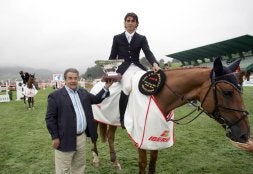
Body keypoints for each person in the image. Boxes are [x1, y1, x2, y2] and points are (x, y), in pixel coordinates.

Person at [45, 68, 113, 174]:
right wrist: (55, 137)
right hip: (64, 138)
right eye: (70, 78)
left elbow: (96, 99)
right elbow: (50, 118)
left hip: (81, 137)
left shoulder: (83, 92)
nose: (73, 81)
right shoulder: (55, 96)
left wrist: (106, 87)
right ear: (65, 80)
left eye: (75, 78)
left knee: (79, 167)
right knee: (64, 169)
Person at [108, 12, 161, 128]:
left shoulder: (141, 38)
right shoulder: (117, 38)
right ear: (124, 23)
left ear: (137, 24)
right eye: (128, 20)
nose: (130, 23)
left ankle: (150, 114)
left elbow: (147, 52)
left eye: (133, 21)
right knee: (127, 86)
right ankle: (122, 118)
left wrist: (154, 63)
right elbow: (112, 56)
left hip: (137, 66)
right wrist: (109, 69)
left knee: (152, 82)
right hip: (123, 68)